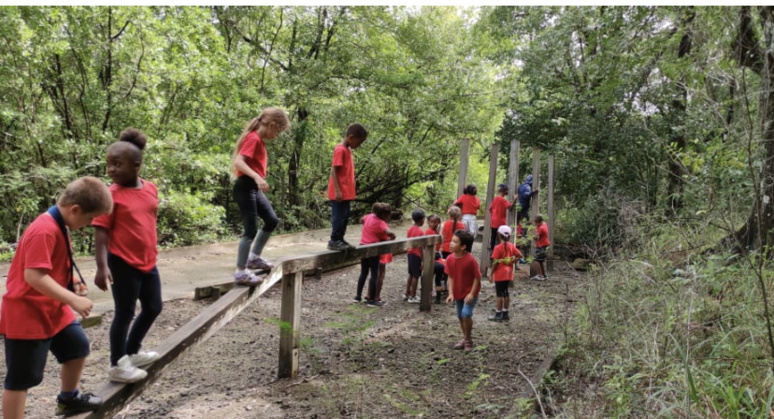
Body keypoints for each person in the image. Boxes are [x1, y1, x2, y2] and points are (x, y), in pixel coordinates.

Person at [1, 177, 112, 418]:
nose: (89, 224)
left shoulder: (61, 224)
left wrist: (71, 282)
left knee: (77, 347)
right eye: (90, 219)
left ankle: (68, 399)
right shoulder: (45, 230)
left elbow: (50, 266)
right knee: (21, 379)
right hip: (27, 313)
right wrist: (73, 299)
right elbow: (33, 276)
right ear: (75, 210)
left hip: (52, 308)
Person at [92, 128, 164, 383]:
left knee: (154, 307)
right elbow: (101, 232)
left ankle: (132, 351)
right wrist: (102, 266)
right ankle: (117, 363)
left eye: (117, 164)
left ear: (136, 165)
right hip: (121, 262)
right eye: (109, 164)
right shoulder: (110, 195)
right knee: (125, 312)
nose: (111, 169)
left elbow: (148, 220)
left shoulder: (150, 188)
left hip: (148, 260)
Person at [232, 108, 291, 285]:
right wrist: (257, 177)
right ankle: (241, 272)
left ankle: (254, 258)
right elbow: (239, 162)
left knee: (271, 220)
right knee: (250, 230)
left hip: (253, 188)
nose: (277, 135)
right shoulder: (254, 138)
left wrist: (257, 180)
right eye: (278, 131)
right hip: (245, 187)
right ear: (272, 125)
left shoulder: (259, 140)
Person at [327, 123, 369, 251]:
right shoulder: (340, 149)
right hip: (339, 193)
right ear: (351, 137)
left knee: (344, 218)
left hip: (346, 193)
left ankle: (340, 239)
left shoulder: (347, 150)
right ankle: (334, 240)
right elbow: (333, 170)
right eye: (359, 142)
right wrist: (337, 190)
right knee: (338, 217)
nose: (359, 145)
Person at [445, 230, 481, 353]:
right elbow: (450, 277)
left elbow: (477, 277)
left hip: (469, 293)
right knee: (460, 316)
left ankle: (468, 339)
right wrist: (450, 293)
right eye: (451, 240)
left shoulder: (470, 260)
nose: (451, 243)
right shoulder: (449, 259)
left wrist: (471, 293)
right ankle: (466, 338)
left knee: (466, 314)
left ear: (463, 246)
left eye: (455, 242)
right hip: (457, 292)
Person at [355, 203, 395, 307]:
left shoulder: (369, 216)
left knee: (363, 272)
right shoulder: (381, 222)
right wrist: (392, 237)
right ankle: (372, 300)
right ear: (385, 215)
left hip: (363, 246)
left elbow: (361, 220)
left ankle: (358, 296)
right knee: (374, 274)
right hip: (373, 249)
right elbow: (390, 232)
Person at [488, 226, 522, 322]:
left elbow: (495, 262)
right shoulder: (511, 246)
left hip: (500, 273)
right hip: (509, 272)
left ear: (499, 235)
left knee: (499, 293)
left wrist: (491, 274)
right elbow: (520, 255)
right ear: (509, 236)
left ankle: (498, 313)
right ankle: (505, 312)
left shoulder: (497, 248)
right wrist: (513, 261)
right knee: (506, 292)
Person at [404, 209, 426, 304]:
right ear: (422, 219)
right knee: (416, 276)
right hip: (416, 255)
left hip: (410, 253)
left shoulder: (410, 228)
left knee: (411, 274)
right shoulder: (420, 232)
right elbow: (420, 247)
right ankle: (412, 296)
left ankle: (407, 293)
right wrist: (422, 259)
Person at [488, 183, 517, 251]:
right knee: (502, 237)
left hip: (494, 221)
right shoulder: (503, 200)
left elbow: (490, 209)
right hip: (501, 222)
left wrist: (494, 215)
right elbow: (510, 207)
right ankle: (502, 251)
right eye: (506, 190)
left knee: (493, 237)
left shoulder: (496, 198)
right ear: (504, 191)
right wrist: (515, 199)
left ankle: (492, 251)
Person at [425, 214, 446, 304]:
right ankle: (433, 296)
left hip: (435, 258)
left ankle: (435, 296)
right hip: (432, 257)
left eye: (436, 222)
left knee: (435, 278)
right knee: (433, 278)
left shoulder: (435, 232)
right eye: (432, 222)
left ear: (438, 222)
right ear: (428, 222)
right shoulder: (429, 232)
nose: (434, 224)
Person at [531, 214, 551, 281]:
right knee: (540, 260)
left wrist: (531, 233)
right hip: (545, 245)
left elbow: (536, 238)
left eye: (535, 222)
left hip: (541, 246)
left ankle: (540, 275)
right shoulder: (544, 224)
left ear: (538, 222)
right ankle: (543, 275)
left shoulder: (541, 228)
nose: (535, 224)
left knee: (536, 260)